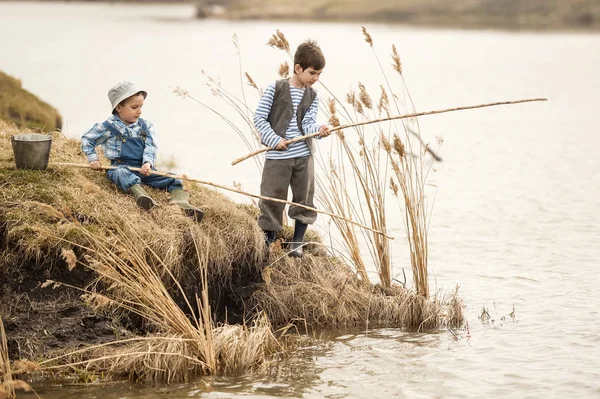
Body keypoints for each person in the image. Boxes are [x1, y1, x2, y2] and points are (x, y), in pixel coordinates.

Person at [81, 81, 204, 222]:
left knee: (175, 178)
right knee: (120, 174)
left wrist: (147, 163)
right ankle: (141, 195)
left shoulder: (145, 126)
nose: (139, 111)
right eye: (134, 107)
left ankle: (181, 202)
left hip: (144, 169)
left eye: (141, 106)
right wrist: (93, 159)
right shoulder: (109, 126)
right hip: (121, 166)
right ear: (119, 107)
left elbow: (150, 146)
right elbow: (87, 139)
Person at [253, 40, 331, 257]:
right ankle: (268, 241)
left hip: (303, 156)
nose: (316, 78)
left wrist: (319, 130)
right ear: (298, 68)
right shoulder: (276, 89)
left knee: (304, 199)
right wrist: (273, 139)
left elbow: (308, 124)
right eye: (313, 73)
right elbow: (259, 118)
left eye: (319, 74)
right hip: (278, 155)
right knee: (272, 197)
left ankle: (297, 244)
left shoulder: (313, 96)